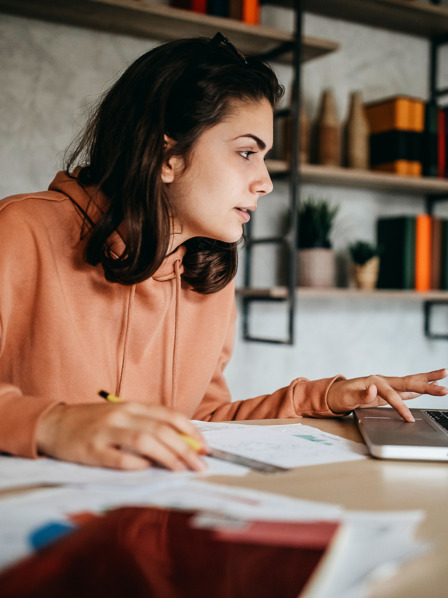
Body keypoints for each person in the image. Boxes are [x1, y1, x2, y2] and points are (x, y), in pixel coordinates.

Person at [0, 34, 446, 473]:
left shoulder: (208, 272)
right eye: (247, 152)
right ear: (165, 155)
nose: (265, 182)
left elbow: (203, 422)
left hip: (148, 518)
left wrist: (325, 397)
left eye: (264, 156)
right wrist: (54, 424)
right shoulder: (19, 231)